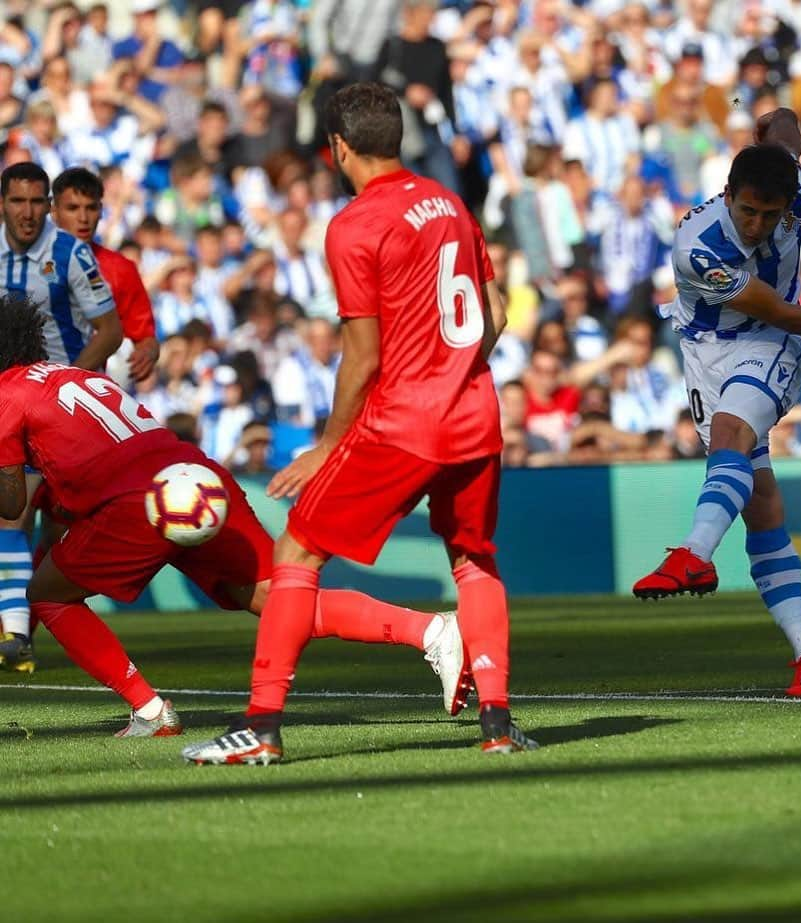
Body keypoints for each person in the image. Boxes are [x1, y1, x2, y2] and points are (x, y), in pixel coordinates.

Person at [182, 82, 531, 766]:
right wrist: (456, 368)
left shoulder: (353, 224)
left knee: (297, 552)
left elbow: (362, 354)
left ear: (339, 147)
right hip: (475, 413)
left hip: (405, 420)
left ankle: (261, 724)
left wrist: (328, 442)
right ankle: (496, 722)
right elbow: (495, 312)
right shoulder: (450, 203)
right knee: (473, 557)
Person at [0, 298, 470, 737]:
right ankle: (430, 630)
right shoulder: (73, 376)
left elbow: (11, 503)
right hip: (195, 478)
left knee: (46, 594)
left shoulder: (7, 393)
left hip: (138, 501)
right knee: (279, 599)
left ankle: (149, 710)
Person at [632, 110, 801, 696]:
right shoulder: (699, 246)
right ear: (727, 195)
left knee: (733, 431)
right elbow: (779, 305)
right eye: (747, 211)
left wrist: (770, 125)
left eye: (770, 213)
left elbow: (787, 127)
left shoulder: (795, 184)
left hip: (770, 346)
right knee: (759, 503)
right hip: (709, 351)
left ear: (790, 198)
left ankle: (695, 552)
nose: (758, 224)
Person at [0, 161, 122, 673]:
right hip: (11, 403)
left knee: (49, 525)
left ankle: (21, 621)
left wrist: (68, 381)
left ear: (47, 206)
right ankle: (17, 635)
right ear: (3, 204)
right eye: (17, 202)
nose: (27, 213)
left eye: (36, 202)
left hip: (59, 404)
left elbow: (109, 331)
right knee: (13, 511)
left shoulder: (70, 253)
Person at [51, 167, 160, 383]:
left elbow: (145, 337)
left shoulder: (120, 269)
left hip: (86, 391)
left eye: (91, 208)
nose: (83, 218)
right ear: (54, 211)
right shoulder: (23, 262)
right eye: (72, 208)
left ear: (101, 210)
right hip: (28, 390)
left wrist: (147, 353)